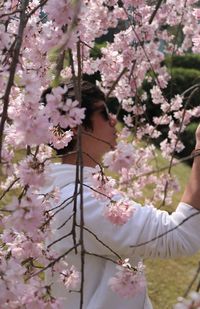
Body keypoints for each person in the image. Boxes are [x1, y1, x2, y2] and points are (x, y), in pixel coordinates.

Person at [42, 81, 200, 309]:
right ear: (75, 124)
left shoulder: (67, 190)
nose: (114, 119)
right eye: (104, 113)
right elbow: (180, 236)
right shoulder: (80, 202)